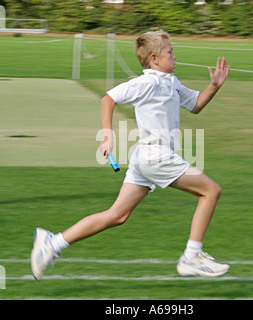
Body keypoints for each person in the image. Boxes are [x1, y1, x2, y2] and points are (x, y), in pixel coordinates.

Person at [31, 30, 230, 280]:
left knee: (117, 215)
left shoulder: (172, 82)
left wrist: (213, 86)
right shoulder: (146, 83)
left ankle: (52, 243)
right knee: (211, 191)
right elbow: (108, 98)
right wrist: (107, 134)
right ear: (155, 59)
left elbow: (196, 105)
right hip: (156, 158)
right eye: (170, 52)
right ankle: (191, 257)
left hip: (145, 159)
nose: (174, 55)